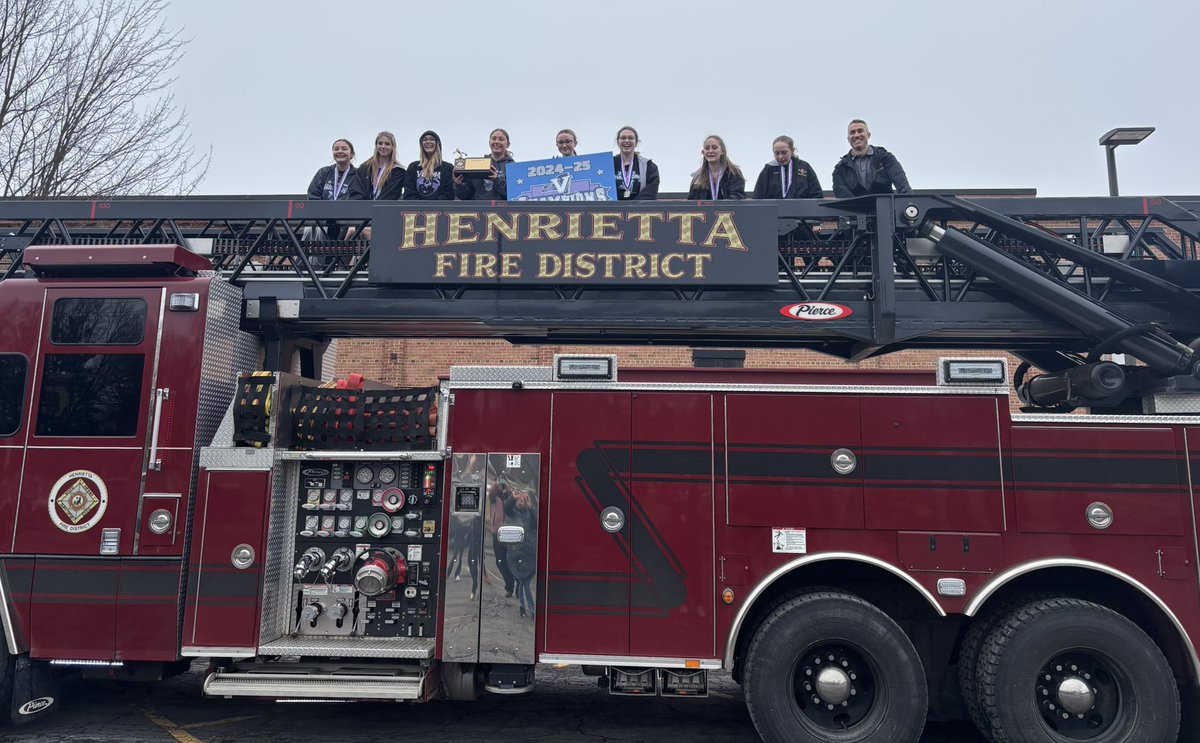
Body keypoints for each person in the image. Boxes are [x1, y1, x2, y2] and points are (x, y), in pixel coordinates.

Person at [832, 119, 911, 198]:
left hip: (884, 208)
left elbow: (903, 186)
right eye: (852, 132)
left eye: (860, 131)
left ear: (868, 135)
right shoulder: (840, 169)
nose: (856, 135)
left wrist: (909, 205)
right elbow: (842, 195)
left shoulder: (886, 159)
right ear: (848, 139)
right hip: (854, 209)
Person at [305, 138, 357, 239]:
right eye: (336, 149)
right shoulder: (323, 172)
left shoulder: (358, 175)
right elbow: (313, 196)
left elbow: (358, 198)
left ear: (352, 155)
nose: (340, 151)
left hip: (346, 220)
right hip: (323, 218)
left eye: (344, 149)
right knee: (312, 229)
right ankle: (309, 255)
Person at [752, 135, 823, 199]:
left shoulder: (804, 167)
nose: (780, 157)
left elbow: (817, 195)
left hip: (801, 211)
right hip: (774, 212)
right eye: (777, 153)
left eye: (784, 152)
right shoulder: (769, 168)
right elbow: (758, 196)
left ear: (792, 151)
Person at [454, 128, 514, 200]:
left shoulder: (513, 167)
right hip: (479, 209)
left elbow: (513, 194)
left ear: (508, 144)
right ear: (489, 142)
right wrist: (458, 184)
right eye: (494, 139)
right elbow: (466, 196)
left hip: (502, 210)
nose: (497, 142)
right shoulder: (478, 164)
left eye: (501, 139)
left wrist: (497, 180)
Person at [686, 135, 745, 200]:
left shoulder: (734, 173)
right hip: (705, 210)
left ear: (722, 151)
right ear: (703, 152)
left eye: (714, 148)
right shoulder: (697, 178)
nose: (710, 151)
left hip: (727, 210)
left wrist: (719, 208)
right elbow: (692, 203)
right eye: (707, 148)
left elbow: (737, 197)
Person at [350, 131, 404, 200]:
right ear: (376, 146)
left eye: (387, 144)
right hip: (363, 208)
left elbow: (392, 194)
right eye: (380, 143)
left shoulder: (398, 171)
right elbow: (357, 190)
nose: (383, 146)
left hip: (385, 208)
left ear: (393, 147)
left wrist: (376, 207)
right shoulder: (365, 168)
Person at [404, 130, 455, 200]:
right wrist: (422, 207)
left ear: (437, 144)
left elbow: (449, 194)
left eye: (432, 139)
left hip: (440, 209)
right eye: (425, 140)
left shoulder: (448, 168)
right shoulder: (413, 167)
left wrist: (432, 207)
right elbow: (409, 194)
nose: (428, 141)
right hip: (416, 210)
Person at [612, 126, 659, 201]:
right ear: (618, 142)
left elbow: (650, 194)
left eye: (630, 138)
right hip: (612, 211)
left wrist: (632, 208)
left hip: (638, 211)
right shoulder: (608, 164)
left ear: (636, 142)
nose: (627, 140)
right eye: (623, 138)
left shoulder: (648, 166)